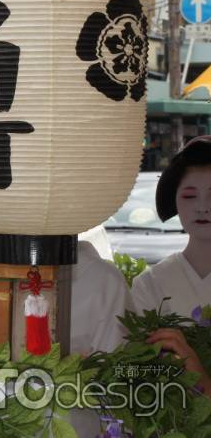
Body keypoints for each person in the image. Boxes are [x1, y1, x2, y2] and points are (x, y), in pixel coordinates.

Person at [131, 136, 211, 396]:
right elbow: (136, 373)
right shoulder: (150, 283)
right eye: (190, 196)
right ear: (175, 201)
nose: (203, 208)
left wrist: (193, 367)